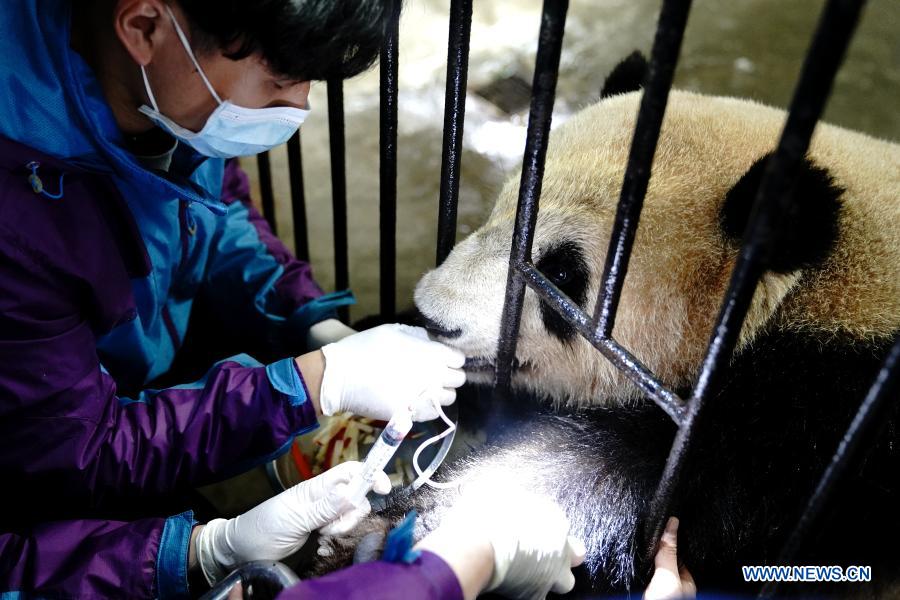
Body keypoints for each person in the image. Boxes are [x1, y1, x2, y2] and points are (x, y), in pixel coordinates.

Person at [0, 0, 473, 597]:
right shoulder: (17, 215)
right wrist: (305, 386)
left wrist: (306, 317)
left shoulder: (161, 96)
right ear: (144, 27)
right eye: (279, 78)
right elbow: (71, 453)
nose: (297, 106)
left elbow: (210, 212)